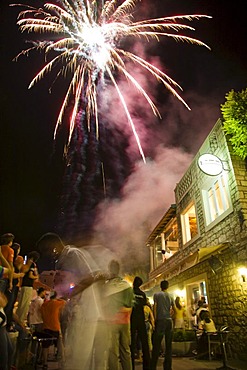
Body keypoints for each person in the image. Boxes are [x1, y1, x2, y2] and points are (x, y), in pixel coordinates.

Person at [105, 260, 134, 370]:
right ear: (118, 269)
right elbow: (131, 306)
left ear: (109, 270)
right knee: (126, 350)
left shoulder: (107, 286)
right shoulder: (126, 285)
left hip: (112, 322)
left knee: (113, 351)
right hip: (125, 322)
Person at [150, 280, 174, 370]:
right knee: (169, 345)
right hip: (169, 321)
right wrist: (170, 315)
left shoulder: (157, 295)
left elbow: (155, 307)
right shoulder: (171, 295)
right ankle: (168, 366)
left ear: (160, 286)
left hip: (160, 321)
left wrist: (155, 319)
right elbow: (173, 309)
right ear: (167, 286)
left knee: (157, 344)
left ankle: (153, 366)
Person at [41, 291, 66, 367]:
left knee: (45, 346)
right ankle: (62, 362)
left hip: (46, 326)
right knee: (59, 345)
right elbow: (64, 302)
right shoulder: (57, 303)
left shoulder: (44, 304)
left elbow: (41, 311)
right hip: (55, 326)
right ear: (55, 296)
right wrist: (57, 299)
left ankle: (44, 363)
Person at [130, 276, 150, 370]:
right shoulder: (142, 294)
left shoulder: (130, 293)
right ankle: (146, 366)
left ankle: (131, 365)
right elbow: (144, 304)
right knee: (144, 343)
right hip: (141, 319)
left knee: (132, 343)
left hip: (132, 319)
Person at [4, 243, 24, 330]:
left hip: (12, 284)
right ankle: (7, 324)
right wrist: (20, 275)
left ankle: (8, 323)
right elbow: (10, 273)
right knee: (9, 306)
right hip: (12, 285)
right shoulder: (14, 261)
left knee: (9, 306)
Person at [16, 251, 40, 324]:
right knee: (25, 305)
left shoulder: (25, 264)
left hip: (23, 286)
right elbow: (31, 275)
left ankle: (17, 319)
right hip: (28, 286)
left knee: (21, 304)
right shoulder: (32, 265)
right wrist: (36, 276)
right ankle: (20, 321)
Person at [0, 292, 13, 370]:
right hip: (1, 327)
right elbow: (4, 302)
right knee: (3, 355)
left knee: (10, 349)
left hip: (3, 326)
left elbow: (4, 302)